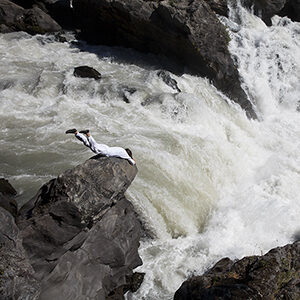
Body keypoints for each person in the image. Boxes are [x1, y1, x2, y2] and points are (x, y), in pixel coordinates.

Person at [66, 128, 136, 165]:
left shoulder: (121, 149)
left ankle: (76, 132)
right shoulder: (124, 154)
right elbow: (132, 163)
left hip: (106, 147)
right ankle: (87, 133)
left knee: (87, 144)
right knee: (94, 147)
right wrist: (132, 158)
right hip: (106, 152)